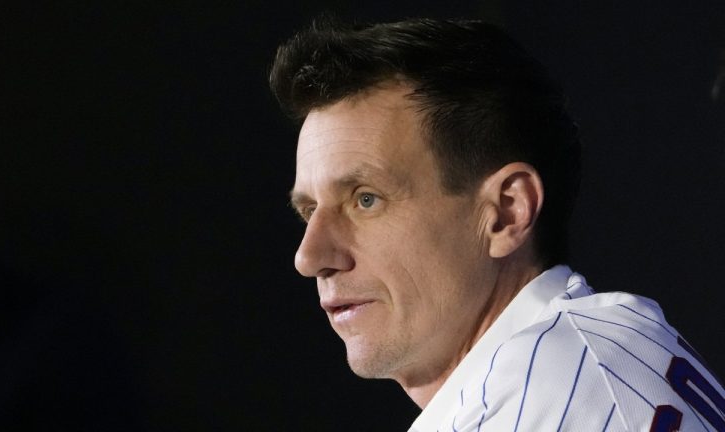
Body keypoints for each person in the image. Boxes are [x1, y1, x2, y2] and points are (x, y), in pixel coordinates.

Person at [269, 17, 725, 431]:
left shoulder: (548, 389)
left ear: (507, 212)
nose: (309, 257)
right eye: (309, 211)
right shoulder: (578, 360)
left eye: (365, 200)